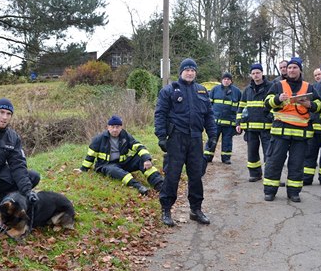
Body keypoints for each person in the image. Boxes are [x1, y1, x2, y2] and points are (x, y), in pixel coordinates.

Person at [154, 58, 217, 226]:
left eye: (193, 70)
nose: (190, 73)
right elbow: (160, 113)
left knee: (196, 176)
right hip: (177, 139)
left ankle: (196, 210)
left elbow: (209, 115)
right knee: (172, 175)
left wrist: (212, 135)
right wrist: (161, 136)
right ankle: (166, 210)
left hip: (196, 139)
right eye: (187, 70)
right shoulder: (169, 90)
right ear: (181, 72)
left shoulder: (202, 91)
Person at [263, 57, 321, 202]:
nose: (291, 70)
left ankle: (294, 192)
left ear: (300, 70)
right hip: (280, 132)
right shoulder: (278, 85)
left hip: (301, 134)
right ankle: (270, 191)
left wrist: (310, 105)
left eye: (294, 68)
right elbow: (266, 103)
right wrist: (278, 99)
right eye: (289, 68)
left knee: (297, 164)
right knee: (274, 162)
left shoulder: (309, 87)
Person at [78, 115, 163, 195]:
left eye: (117, 127)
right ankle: (138, 186)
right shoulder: (99, 139)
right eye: (112, 127)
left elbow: (138, 146)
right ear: (108, 127)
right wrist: (83, 169)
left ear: (121, 127)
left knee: (141, 159)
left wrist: (146, 159)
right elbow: (90, 156)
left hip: (122, 163)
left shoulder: (125, 136)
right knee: (114, 170)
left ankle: (160, 184)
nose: (115, 130)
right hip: (106, 165)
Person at [236, 64, 273, 182]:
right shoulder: (247, 90)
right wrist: (238, 123)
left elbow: (276, 106)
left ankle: (270, 174)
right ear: (251, 75)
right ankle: (255, 174)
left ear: (262, 73)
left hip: (267, 127)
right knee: (252, 152)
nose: (256, 75)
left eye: (258, 72)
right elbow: (241, 106)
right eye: (253, 73)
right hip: (250, 128)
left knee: (269, 153)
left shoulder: (271, 87)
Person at [204, 72, 241, 164]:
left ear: (231, 81)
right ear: (221, 80)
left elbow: (241, 108)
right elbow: (208, 105)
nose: (226, 81)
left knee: (227, 141)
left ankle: (226, 158)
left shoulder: (237, 92)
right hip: (215, 122)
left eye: (228, 79)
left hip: (229, 123)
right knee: (212, 139)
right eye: (224, 79)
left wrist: (239, 122)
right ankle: (207, 156)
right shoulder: (215, 90)